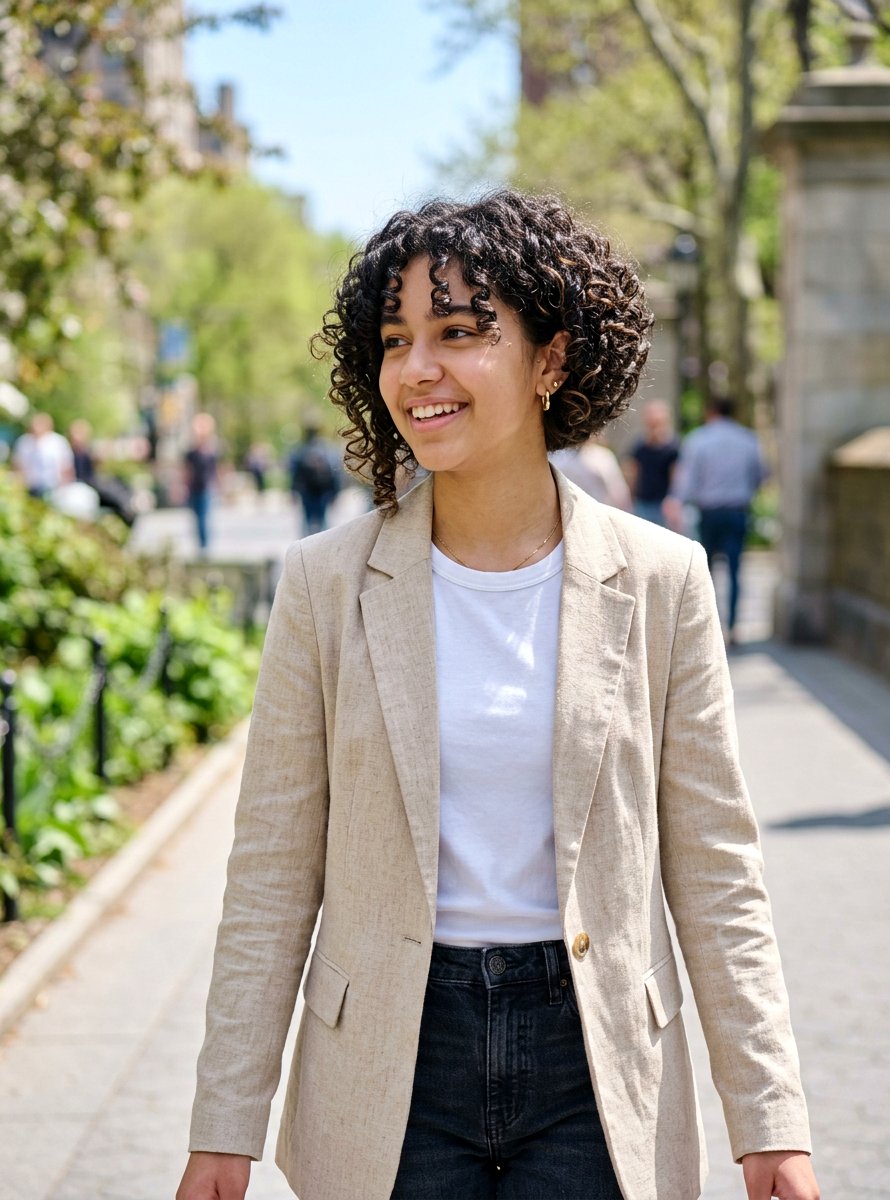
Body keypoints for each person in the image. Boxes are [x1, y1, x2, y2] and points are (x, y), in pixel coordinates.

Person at [177, 192, 818, 1200]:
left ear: (550, 360)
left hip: (597, 1064)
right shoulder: (322, 583)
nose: (416, 369)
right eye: (396, 340)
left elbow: (715, 868)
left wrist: (769, 1121)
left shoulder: (663, 579)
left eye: (458, 332)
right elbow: (271, 871)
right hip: (387, 1064)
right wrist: (226, 1124)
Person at [667, 397, 768, 644]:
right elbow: (761, 474)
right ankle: (732, 627)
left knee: (706, 570)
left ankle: (708, 626)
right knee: (735, 570)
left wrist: (676, 501)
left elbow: (687, 479)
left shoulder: (698, 439)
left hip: (709, 512)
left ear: (711, 412)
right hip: (737, 511)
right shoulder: (748, 439)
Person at [624, 399, 679, 526]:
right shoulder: (639, 446)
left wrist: (673, 500)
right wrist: (630, 498)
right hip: (642, 503)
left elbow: (676, 477)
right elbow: (633, 474)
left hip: (663, 505)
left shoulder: (672, 447)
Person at [287, 415, 342, 534]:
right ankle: (322, 540)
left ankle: (310, 541)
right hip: (319, 491)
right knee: (321, 521)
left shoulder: (301, 450)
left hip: (310, 491)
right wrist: (336, 492)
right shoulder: (326, 450)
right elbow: (334, 473)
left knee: (309, 521)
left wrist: (293, 491)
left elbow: (296, 474)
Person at [552, 435, 632, 510]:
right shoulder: (558, 458)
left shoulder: (602, 457)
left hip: (597, 511)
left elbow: (618, 492)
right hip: (570, 511)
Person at [13, 412, 74, 498]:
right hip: (29, 486)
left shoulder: (58, 442)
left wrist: (64, 487)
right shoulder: (24, 441)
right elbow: (17, 464)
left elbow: (66, 466)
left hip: (53, 486)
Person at [183, 412, 218, 554]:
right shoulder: (191, 453)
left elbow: (216, 470)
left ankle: (204, 545)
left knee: (204, 517)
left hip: (206, 488)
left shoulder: (211, 452)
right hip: (194, 488)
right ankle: (200, 544)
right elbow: (186, 471)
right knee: (196, 517)